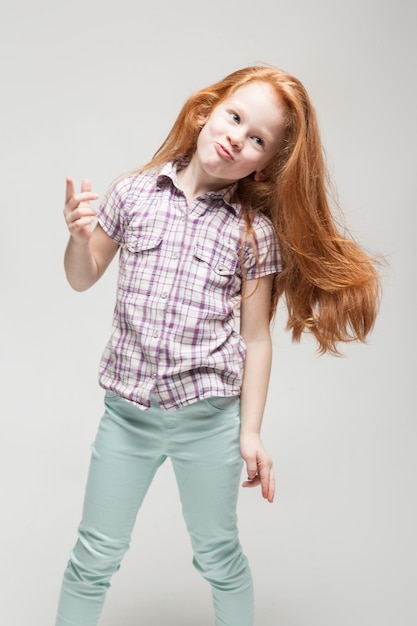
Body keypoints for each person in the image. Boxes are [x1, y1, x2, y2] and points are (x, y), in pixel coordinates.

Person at [56, 65, 380, 626]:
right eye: (235, 117)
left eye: (257, 139)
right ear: (207, 110)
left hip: (208, 421)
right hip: (127, 417)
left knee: (219, 556)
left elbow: (256, 340)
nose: (237, 137)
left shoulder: (253, 233)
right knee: (93, 556)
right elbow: (82, 277)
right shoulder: (134, 192)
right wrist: (77, 239)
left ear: (264, 163)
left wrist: (249, 432)